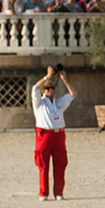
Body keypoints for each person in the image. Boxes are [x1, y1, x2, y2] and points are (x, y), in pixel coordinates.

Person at [32, 65, 76, 200]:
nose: (50, 90)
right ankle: (43, 193)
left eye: (52, 88)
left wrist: (64, 79)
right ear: (44, 90)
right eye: (47, 88)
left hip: (58, 135)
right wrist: (47, 76)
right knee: (43, 165)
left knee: (60, 164)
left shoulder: (59, 103)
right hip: (44, 135)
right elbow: (34, 88)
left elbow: (73, 94)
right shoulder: (39, 103)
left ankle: (58, 193)